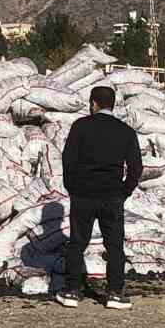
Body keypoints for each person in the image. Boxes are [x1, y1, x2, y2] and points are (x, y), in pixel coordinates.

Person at [58, 85, 143, 309]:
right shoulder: (125, 131)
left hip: (83, 194)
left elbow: (68, 160)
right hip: (112, 196)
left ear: (94, 103)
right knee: (114, 245)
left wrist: (72, 187)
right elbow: (136, 167)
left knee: (77, 242)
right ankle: (115, 292)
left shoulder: (80, 127)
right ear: (112, 104)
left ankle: (72, 291)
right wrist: (124, 191)